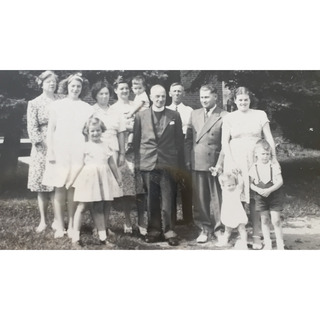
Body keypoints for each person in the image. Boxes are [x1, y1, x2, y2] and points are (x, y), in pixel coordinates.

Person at [221, 86, 277, 249]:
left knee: (255, 198)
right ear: (235, 101)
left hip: (256, 159)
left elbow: (269, 139)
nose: (243, 102)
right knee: (232, 197)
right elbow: (225, 142)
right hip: (235, 160)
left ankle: (257, 235)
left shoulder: (260, 115)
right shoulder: (229, 117)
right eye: (240, 100)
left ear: (250, 100)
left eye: (246, 99)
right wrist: (231, 162)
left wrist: (273, 159)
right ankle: (232, 233)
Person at [43, 73, 93, 238]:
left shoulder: (87, 108)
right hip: (60, 149)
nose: (75, 89)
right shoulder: (57, 106)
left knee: (72, 187)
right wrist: (50, 150)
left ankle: (72, 224)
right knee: (59, 187)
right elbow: (50, 131)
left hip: (77, 149)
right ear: (67, 86)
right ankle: (60, 225)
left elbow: (88, 134)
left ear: (82, 89)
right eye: (73, 86)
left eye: (78, 86)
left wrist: (87, 153)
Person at [133, 84, 184, 246]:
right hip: (148, 162)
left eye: (163, 96)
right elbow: (136, 142)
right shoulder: (140, 116)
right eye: (157, 96)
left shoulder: (174, 115)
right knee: (151, 199)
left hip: (168, 163)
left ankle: (169, 231)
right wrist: (137, 164)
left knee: (168, 199)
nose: (160, 99)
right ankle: (153, 230)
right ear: (150, 96)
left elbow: (179, 142)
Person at [185, 84, 227, 243]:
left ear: (215, 97)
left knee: (218, 198)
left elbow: (225, 143)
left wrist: (221, 163)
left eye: (207, 97)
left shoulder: (223, 115)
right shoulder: (194, 114)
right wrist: (189, 159)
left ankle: (219, 228)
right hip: (197, 160)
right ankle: (204, 228)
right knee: (200, 198)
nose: (204, 100)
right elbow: (188, 139)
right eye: (202, 97)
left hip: (215, 162)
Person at [70, 117, 122, 246]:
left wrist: (118, 177)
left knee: (99, 208)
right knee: (82, 207)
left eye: (98, 130)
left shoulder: (106, 146)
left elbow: (112, 164)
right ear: (87, 131)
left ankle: (103, 237)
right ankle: (76, 238)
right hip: (89, 179)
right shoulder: (85, 146)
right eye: (92, 131)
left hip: (102, 178)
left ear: (102, 130)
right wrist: (71, 180)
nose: (95, 133)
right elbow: (79, 165)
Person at [109, 76, 147, 236]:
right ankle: (127, 219)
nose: (124, 91)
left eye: (126, 88)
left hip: (138, 151)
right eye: (121, 88)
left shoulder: (136, 105)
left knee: (141, 189)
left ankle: (142, 220)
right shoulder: (113, 109)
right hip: (124, 152)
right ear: (116, 91)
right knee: (127, 190)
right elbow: (115, 130)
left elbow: (143, 125)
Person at [27, 71, 61, 232]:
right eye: (48, 82)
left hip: (61, 145)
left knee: (56, 186)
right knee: (42, 187)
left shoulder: (62, 100)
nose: (52, 84)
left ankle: (57, 220)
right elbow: (32, 129)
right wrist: (46, 145)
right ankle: (43, 221)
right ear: (41, 84)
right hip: (42, 149)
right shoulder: (34, 103)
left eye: (54, 82)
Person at [91, 80, 125, 233]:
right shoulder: (91, 111)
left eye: (106, 94)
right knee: (97, 191)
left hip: (114, 150)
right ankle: (96, 226)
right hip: (97, 152)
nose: (104, 96)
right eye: (101, 94)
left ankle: (106, 225)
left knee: (109, 191)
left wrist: (122, 153)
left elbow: (121, 132)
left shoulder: (116, 112)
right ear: (96, 96)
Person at [249, 139, 285, 250]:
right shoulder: (254, 167)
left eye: (267, 154)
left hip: (274, 195)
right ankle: (267, 243)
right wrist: (257, 190)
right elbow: (250, 183)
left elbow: (280, 181)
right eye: (262, 154)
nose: (265, 156)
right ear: (256, 154)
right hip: (261, 196)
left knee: (276, 220)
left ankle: (280, 243)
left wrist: (270, 189)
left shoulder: (273, 166)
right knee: (264, 220)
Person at [166, 82, 193, 224]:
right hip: (170, 149)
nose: (177, 93)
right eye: (174, 91)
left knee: (186, 183)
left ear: (183, 94)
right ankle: (172, 218)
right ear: (170, 93)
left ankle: (188, 218)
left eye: (179, 91)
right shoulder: (165, 110)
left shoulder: (189, 111)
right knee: (170, 183)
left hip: (184, 146)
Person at [214, 172, 248, 249]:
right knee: (227, 230)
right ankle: (225, 241)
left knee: (242, 229)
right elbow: (220, 180)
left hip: (238, 213)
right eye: (229, 185)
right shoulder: (224, 191)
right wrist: (218, 172)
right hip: (228, 213)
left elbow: (241, 183)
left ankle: (244, 243)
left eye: (233, 184)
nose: (232, 186)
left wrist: (239, 175)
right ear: (224, 186)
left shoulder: (237, 190)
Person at [126, 75, 150, 152]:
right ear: (132, 89)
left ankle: (133, 143)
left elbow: (139, 105)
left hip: (144, 117)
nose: (138, 90)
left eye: (140, 88)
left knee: (133, 128)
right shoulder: (137, 96)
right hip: (138, 116)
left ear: (144, 88)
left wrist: (130, 113)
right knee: (131, 130)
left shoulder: (143, 95)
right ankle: (130, 144)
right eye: (135, 88)